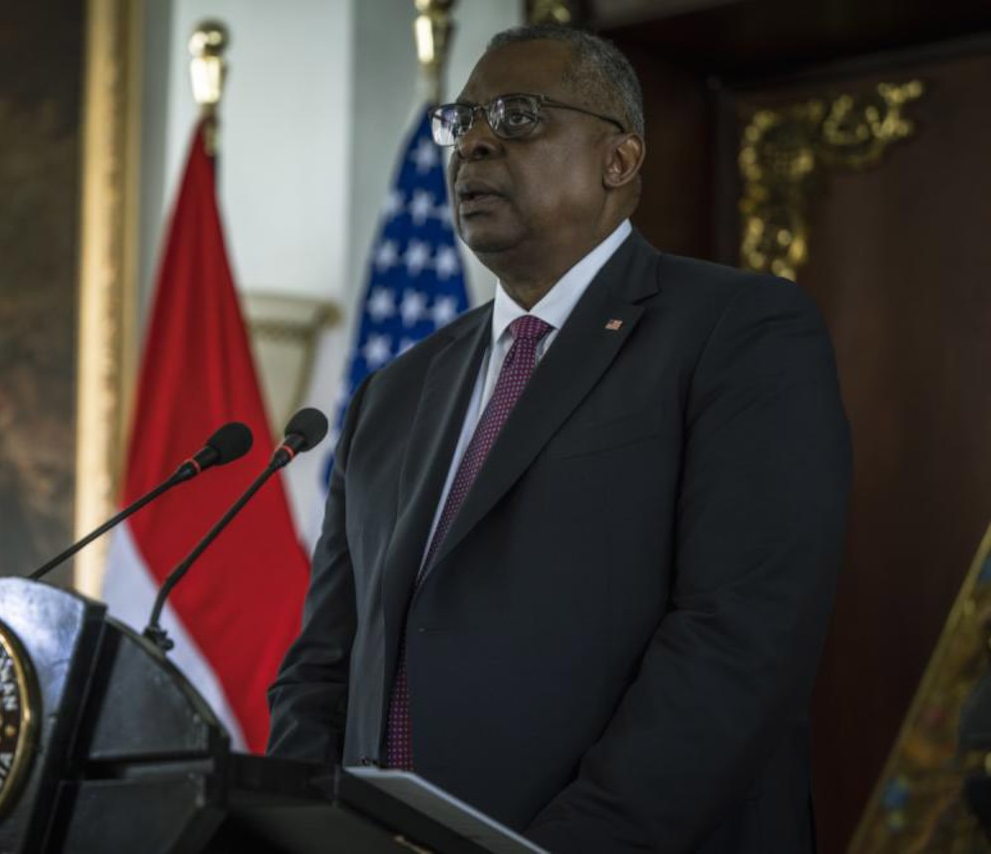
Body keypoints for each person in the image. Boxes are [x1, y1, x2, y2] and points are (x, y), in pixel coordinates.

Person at [267, 23, 851, 854]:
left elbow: (739, 641)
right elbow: (324, 665)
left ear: (619, 160)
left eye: (516, 116)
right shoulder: (395, 393)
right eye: (461, 122)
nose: (472, 144)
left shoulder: (738, 332)